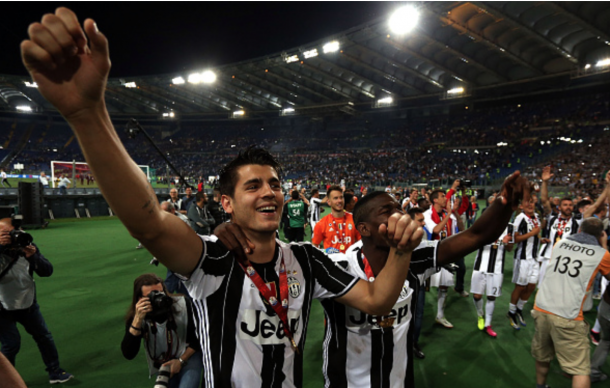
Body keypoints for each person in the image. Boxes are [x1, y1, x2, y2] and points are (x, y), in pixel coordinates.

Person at [19, 12, 425, 386]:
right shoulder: (211, 259)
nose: (269, 192)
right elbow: (147, 224)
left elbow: (375, 299)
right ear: (225, 203)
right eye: (253, 186)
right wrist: (88, 114)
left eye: (275, 184)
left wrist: (403, 251)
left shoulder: (305, 259)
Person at [321, 175, 530, 387]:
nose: (400, 217)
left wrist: (504, 204)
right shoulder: (339, 267)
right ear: (364, 229)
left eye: (399, 210)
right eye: (387, 212)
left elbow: (477, 235)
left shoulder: (416, 255)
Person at [532, 217, 610, 388]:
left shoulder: (559, 244)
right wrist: (603, 245)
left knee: (543, 356)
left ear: (580, 230)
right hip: (568, 315)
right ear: (601, 234)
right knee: (581, 370)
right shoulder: (602, 254)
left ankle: (540, 386)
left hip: (542, 307)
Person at [0, 218, 73, 384]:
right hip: (2, 307)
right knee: (11, 344)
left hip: (27, 303)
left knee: (44, 337)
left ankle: (55, 371)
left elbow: (46, 271)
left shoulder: (25, 245)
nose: (12, 236)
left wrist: (33, 256)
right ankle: (5, 381)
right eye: (5, 234)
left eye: (13, 232)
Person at [121, 274, 202, 388]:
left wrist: (180, 361)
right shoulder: (137, 318)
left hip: (188, 355)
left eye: (160, 292)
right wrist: (137, 321)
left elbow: (199, 337)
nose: (159, 298)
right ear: (140, 299)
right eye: (152, 295)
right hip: (164, 361)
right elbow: (129, 354)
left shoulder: (183, 305)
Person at [423, 187, 465, 329]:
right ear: (435, 200)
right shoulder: (427, 214)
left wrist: (454, 213)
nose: (445, 199)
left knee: (444, 285)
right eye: (442, 196)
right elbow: (435, 230)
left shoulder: (449, 215)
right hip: (428, 255)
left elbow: (460, 230)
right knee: (423, 287)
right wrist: (448, 215)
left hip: (445, 254)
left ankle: (440, 315)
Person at [508, 197, 549, 329]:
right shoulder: (520, 218)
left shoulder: (536, 217)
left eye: (531, 202)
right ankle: (511, 311)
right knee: (520, 286)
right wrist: (532, 233)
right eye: (527, 202)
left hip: (534, 258)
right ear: (521, 206)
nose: (530, 204)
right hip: (523, 258)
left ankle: (519, 309)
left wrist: (540, 239)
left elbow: (535, 236)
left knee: (531, 286)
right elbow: (515, 239)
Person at [470, 226, 514, 338]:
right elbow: (479, 241)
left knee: (491, 296)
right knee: (477, 295)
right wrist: (501, 241)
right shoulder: (486, 222)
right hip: (480, 266)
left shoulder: (510, 227)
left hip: (497, 268)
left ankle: (488, 324)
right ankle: (480, 315)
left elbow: (509, 248)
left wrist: (508, 243)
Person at [312, 185, 361, 254]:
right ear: (329, 202)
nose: (339, 201)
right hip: (331, 263)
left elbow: (362, 243)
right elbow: (314, 246)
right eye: (335, 198)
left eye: (341, 197)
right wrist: (325, 251)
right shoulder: (321, 223)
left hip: (350, 263)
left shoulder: (354, 219)